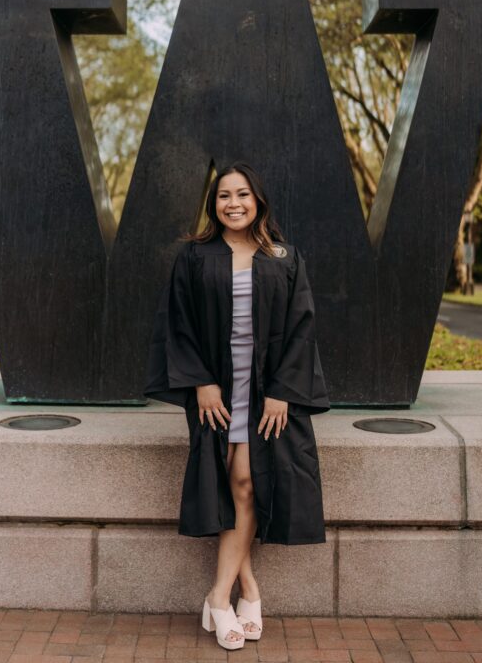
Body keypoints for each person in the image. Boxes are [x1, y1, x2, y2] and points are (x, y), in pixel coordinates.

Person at [143, 160, 330, 651]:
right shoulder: (195, 256)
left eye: (242, 194)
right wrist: (201, 382)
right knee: (231, 486)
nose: (234, 203)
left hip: (265, 391)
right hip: (218, 393)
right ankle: (248, 590)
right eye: (224, 195)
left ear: (258, 200)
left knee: (245, 481)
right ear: (214, 204)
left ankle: (219, 597)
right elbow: (177, 322)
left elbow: (301, 326)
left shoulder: (284, 256)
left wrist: (284, 390)